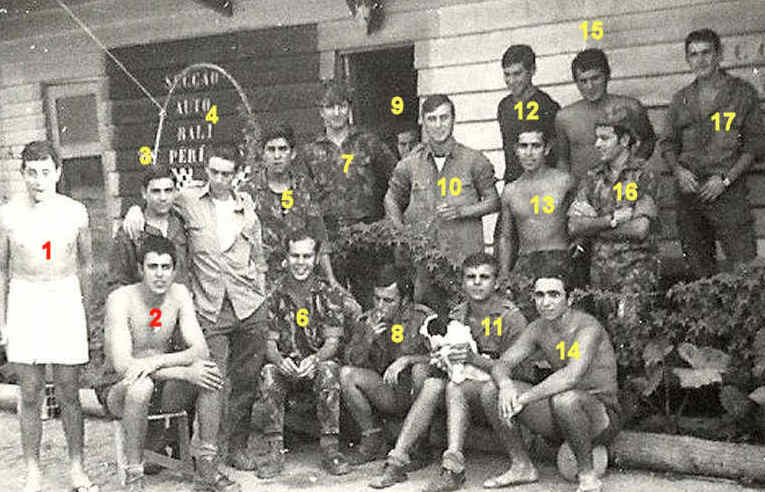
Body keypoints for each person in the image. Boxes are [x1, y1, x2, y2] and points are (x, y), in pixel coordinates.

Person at [122, 145, 268, 469]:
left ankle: (237, 448)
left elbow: (259, 257)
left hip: (249, 305)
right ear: (206, 170)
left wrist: (260, 290)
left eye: (226, 173)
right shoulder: (188, 200)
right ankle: (202, 454)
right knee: (211, 379)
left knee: (246, 381)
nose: (219, 179)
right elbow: (156, 199)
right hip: (210, 306)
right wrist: (132, 210)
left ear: (237, 175)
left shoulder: (247, 207)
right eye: (214, 172)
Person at [370, 253, 527, 489]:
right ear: (462, 282)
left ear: (496, 283)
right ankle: (397, 460)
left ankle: (453, 467)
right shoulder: (456, 315)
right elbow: (440, 356)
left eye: (484, 277)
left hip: (500, 395)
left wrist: (473, 360)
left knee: (456, 387)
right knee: (433, 384)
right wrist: (441, 360)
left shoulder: (510, 317)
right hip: (465, 387)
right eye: (470, 277)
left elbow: (518, 371)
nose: (476, 282)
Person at [97, 235, 239, 492]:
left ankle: (206, 467)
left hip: (162, 386)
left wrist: (157, 362)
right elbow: (124, 365)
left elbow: (200, 349)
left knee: (209, 373)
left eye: (166, 267)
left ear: (174, 270)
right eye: (152, 267)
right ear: (140, 269)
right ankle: (134, 477)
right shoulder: (121, 299)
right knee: (141, 387)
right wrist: (183, 372)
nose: (159, 274)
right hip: (121, 389)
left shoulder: (179, 294)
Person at [0, 140, 98, 492]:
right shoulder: (8, 214)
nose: (38, 180)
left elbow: (86, 266)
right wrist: (2, 320)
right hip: (25, 298)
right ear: (23, 174)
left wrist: (86, 314)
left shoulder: (75, 212)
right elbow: (2, 270)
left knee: (69, 391)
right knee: (29, 392)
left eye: (45, 172)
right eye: (32, 173)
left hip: (64, 297)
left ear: (57, 172)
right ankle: (32, 471)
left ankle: (77, 468)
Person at [483, 271, 620, 492]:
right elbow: (502, 363)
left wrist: (524, 398)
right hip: (559, 410)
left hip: (600, 415)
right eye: (540, 295)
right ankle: (522, 467)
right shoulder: (538, 328)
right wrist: (506, 385)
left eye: (554, 295)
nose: (545, 302)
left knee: (565, 399)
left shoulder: (588, 327)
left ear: (570, 299)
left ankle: (588, 477)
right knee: (491, 390)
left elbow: (571, 376)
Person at [659, 28, 765, 278]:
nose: (701, 60)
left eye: (706, 52)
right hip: (690, 192)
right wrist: (679, 171)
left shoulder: (741, 93)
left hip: (727, 191)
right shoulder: (681, 99)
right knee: (698, 269)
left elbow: (755, 145)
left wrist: (726, 180)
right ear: (687, 59)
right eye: (693, 54)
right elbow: (668, 143)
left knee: (744, 268)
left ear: (719, 55)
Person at [385, 95, 500, 316]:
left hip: (463, 261)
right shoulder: (410, 164)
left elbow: (493, 201)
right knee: (425, 321)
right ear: (423, 122)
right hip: (424, 265)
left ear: (453, 119)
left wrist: (462, 211)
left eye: (444, 118)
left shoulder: (474, 160)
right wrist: (400, 232)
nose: (438, 125)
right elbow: (391, 198)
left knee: (467, 320)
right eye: (432, 119)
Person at [554, 48, 656, 287]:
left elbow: (648, 140)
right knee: (584, 273)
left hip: (622, 196)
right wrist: (568, 199)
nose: (589, 86)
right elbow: (563, 160)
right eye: (583, 81)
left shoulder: (629, 108)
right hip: (586, 199)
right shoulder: (565, 117)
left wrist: (627, 172)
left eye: (595, 78)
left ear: (607, 75)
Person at [259, 229, 351, 478]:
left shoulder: (329, 293)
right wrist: (280, 361)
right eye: (295, 256)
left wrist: (316, 359)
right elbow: (269, 343)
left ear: (316, 258)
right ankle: (274, 452)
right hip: (286, 366)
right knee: (268, 373)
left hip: (316, 364)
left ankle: (331, 450)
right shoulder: (274, 294)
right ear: (286, 257)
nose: (301, 262)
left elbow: (332, 342)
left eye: (307, 256)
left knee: (329, 370)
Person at [301, 79, 398, 308]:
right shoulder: (310, 151)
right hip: (329, 241)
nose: (337, 112)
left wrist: (389, 220)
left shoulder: (368, 142)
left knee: (369, 301)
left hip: (367, 239)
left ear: (349, 108)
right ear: (321, 111)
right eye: (330, 107)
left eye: (342, 106)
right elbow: (304, 198)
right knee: (333, 304)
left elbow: (397, 179)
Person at [568, 103, 660, 316]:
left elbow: (639, 229)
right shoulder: (592, 177)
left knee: (631, 329)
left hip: (636, 273)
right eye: (597, 138)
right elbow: (574, 226)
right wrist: (611, 219)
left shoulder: (643, 174)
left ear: (624, 140)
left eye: (605, 138)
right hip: (600, 275)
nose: (597, 144)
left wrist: (592, 227)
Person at [340, 264, 433, 465]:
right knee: (347, 375)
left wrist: (409, 359)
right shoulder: (367, 320)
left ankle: (418, 446)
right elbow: (350, 360)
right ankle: (372, 438)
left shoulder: (422, 318)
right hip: (386, 392)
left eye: (388, 300)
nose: (380, 306)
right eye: (377, 298)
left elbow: (442, 357)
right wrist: (367, 339)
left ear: (404, 300)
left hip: (416, 392)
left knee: (420, 371)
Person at [239, 122, 337, 284]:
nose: (277, 156)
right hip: (262, 279)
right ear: (263, 154)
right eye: (271, 150)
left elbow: (318, 233)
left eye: (282, 149)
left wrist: (330, 278)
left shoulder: (304, 186)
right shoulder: (248, 191)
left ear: (292, 154)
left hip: (301, 275)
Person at [496, 120, 574, 281]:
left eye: (536, 146)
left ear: (547, 148)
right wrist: (504, 272)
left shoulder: (564, 182)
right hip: (525, 261)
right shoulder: (511, 190)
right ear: (516, 150)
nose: (529, 153)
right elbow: (506, 237)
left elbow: (581, 221)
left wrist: (578, 245)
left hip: (558, 258)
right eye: (523, 146)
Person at [108, 167, 187, 293]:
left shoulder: (183, 222)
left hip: (180, 301)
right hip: (145, 303)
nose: (163, 197)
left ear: (175, 193)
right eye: (156, 191)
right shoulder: (130, 231)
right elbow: (117, 282)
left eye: (168, 191)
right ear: (144, 193)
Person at [497, 44, 561, 184]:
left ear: (532, 70)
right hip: (514, 183)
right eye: (507, 74)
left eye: (517, 74)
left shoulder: (547, 105)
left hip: (542, 183)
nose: (511, 81)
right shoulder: (504, 106)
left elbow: (558, 154)